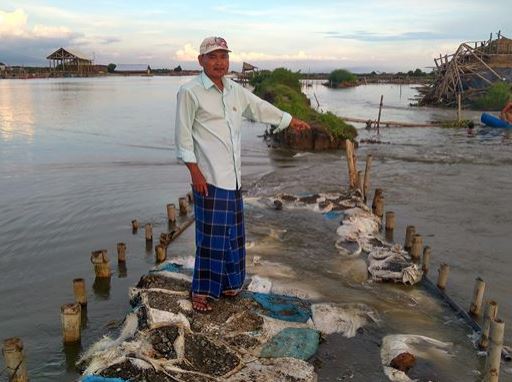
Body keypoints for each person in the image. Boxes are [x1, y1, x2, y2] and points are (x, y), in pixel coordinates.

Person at [174, 36, 310, 312]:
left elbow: (259, 108)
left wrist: (289, 120)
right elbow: (183, 137)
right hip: (209, 177)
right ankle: (202, 291)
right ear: (201, 61)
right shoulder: (189, 92)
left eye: (223, 57)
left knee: (233, 235)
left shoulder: (234, 90)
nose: (219, 62)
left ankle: (230, 283)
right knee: (211, 237)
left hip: (233, 177)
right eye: (212, 57)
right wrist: (194, 172)